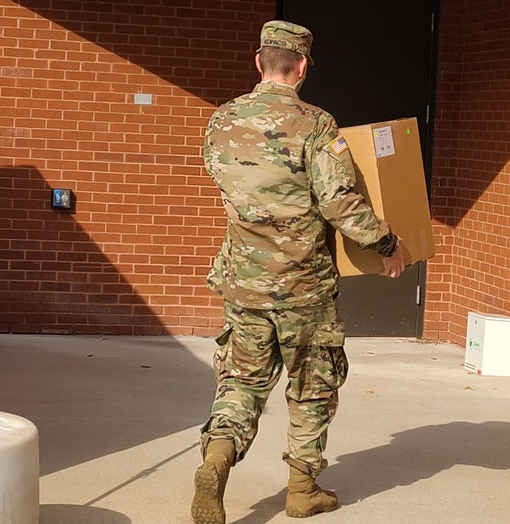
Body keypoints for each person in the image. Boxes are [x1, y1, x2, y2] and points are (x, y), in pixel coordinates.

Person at [191, 19, 406, 524]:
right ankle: (302, 490)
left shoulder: (221, 122)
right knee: (312, 386)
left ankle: (217, 459)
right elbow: (338, 204)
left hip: (243, 283)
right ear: (303, 66)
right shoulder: (317, 125)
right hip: (303, 287)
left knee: (241, 383)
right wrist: (387, 243)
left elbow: (226, 184)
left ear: (258, 62)